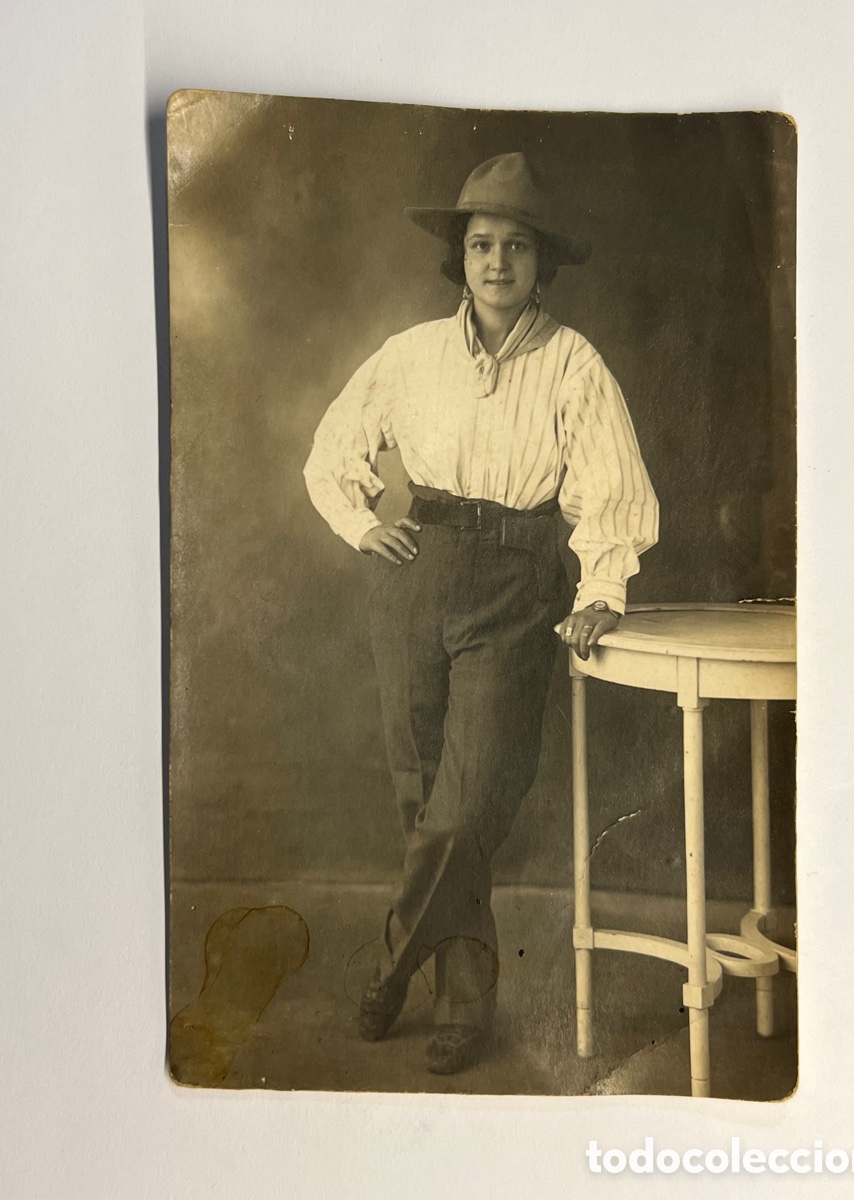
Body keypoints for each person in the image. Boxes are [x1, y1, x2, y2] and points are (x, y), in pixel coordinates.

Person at [304, 152, 658, 1075]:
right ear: (458, 256)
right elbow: (333, 451)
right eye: (481, 244)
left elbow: (610, 494)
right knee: (422, 795)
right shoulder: (411, 354)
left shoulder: (573, 364)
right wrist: (359, 521)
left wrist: (598, 592)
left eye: (517, 246)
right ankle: (466, 998)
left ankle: (393, 960)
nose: (497, 262)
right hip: (417, 572)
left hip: (514, 580)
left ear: (544, 262)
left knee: (465, 808)